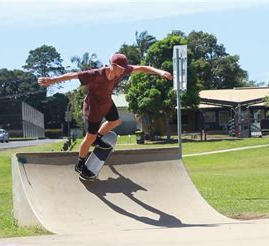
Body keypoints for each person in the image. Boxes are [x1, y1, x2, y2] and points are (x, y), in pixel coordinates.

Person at [38, 53, 173, 180]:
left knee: (115, 121)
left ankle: (98, 138)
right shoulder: (95, 74)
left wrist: (160, 72)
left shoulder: (123, 70)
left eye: (124, 69)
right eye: (120, 69)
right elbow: (73, 75)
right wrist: (52, 80)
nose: (123, 72)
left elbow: (142, 68)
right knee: (89, 137)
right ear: (113, 66)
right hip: (94, 107)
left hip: (107, 102)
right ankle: (80, 163)